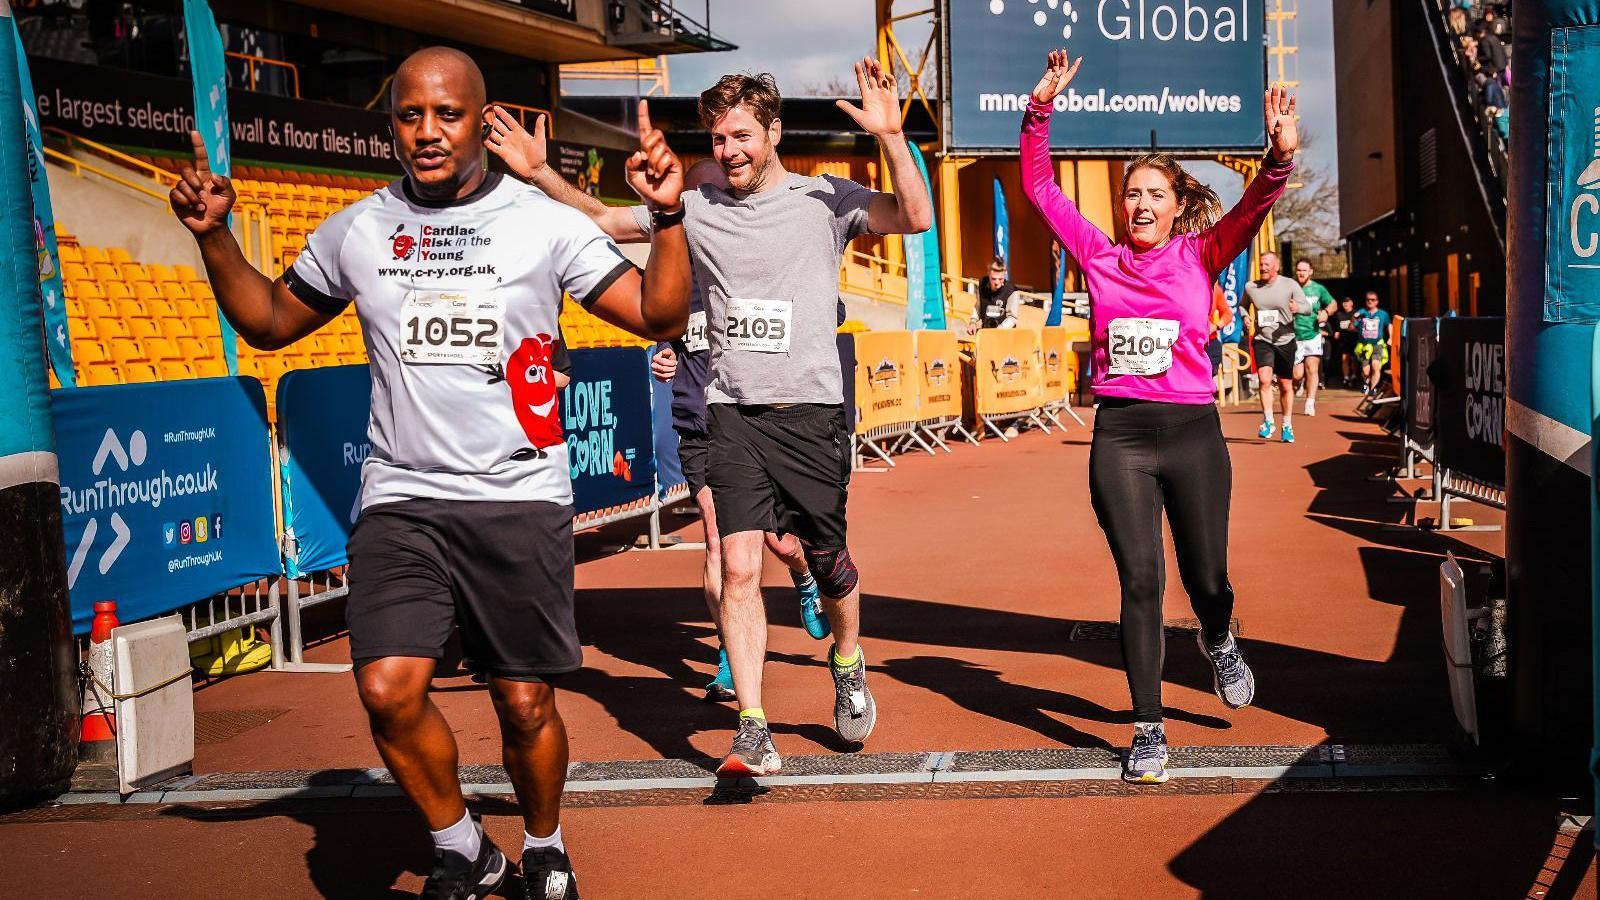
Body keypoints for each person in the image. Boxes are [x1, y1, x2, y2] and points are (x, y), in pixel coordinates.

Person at [169, 48, 690, 900]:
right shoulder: (359, 229)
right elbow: (267, 321)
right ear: (392, 127)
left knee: (523, 704)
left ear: (480, 121)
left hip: (517, 495)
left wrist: (667, 220)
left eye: (447, 114)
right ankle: (462, 847)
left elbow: (658, 313)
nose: (427, 132)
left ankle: (546, 843)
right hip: (402, 497)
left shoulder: (543, 222)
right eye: (410, 115)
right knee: (386, 690)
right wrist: (214, 235)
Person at [489, 60, 932, 776]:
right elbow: (602, 217)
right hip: (732, 415)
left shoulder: (827, 199)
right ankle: (752, 724)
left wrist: (890, 136)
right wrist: (541, 173)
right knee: (736, 564)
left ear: (774, 133)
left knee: (830, 564)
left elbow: (915, 216)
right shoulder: (696, 206)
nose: (729, 150)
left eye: (742, 135)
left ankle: (847, 660)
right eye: (718, 137)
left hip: (812, 416)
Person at [1022, 49, 1292, 783]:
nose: (1140, 205)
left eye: (1153, 195)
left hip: (1192, 434)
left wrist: (1278, 157)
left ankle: (1218, 636)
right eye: (1131, 193)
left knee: (1207, 577)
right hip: (1123, 436)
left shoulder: (1202, 254)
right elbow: (1040, 187)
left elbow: (1254, 206)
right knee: (1140, 579)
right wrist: (1040, 107)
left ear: (1176, 206)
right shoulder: (1099, 257)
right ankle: (1148, 728)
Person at [647, 160, 831, 705]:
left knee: (781, 541)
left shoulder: (757, 267)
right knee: (720, 542)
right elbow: (658, 328)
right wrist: (662, 353)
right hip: (703, 427)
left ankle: (804, 576)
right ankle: (731, 653)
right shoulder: (677, 277)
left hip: (761, 422)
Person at [1244, 251, 1305, 443]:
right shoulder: (1251, 287)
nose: (1263, 268)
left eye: (1267, 264)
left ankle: (1287, 424)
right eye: (1261, 264)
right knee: (1264, 379)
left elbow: (1307, 307)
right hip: (1263, 339)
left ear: (1276, 266)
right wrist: (1245, 316)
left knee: (1286, 385)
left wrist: (1298, 308)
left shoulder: (1290, 284)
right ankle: (1268, 421)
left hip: (1286, 340)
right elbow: (1242, 306)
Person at [1290, 259, 1336, 416]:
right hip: (1294, 335)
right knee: (1297, 374)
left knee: (1313, 368)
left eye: (1304, 270)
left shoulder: (1318, 289)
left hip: (1312, 334)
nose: (1301, 273)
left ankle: (1310, 402)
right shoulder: (1291, 287)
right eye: (1299, 270)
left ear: (1310, 272)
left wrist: (1326, 312)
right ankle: (1300, 383)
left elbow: (1333, 304)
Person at [1353, 290, 1394, 396]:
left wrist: (1391, 337)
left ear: (1377, 302)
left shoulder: (1383, 314)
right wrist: (1354, 319)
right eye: (1368, 300)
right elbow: (1353, 327)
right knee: (1366, 371)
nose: (1370, 302)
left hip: (1377, 344)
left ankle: (1373, 388)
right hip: (1364, 345)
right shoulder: (1362, 312)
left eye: (1372, 300)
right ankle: (1367, 382)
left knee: (1376, 366)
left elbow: (1389, 325)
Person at [970, 256, 1021, 332]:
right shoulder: (982, 284)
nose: (997, 282)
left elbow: (1012, 318)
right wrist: (973, 322)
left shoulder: (1012, 291)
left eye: (1000, 279)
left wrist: (998, 331)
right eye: (993, 279)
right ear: (988, 274)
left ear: (1004, 275)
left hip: (1004, 334)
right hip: (985, 331)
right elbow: (978, 306)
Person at [1330, 295, 1359, 387]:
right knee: (1344, 358)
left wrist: (1355, 329)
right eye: (1344, 302)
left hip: (1353, 339)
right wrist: (1337, 332)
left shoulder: (1356, 313)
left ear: (1352, 303)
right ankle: (1346, 378)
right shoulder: (1339, 314)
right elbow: (1337, 327)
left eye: (1347, 302)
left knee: (1353, 358)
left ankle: (1354, 376)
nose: (1345, 304)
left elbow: (1360, 326)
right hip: (1343, 340)